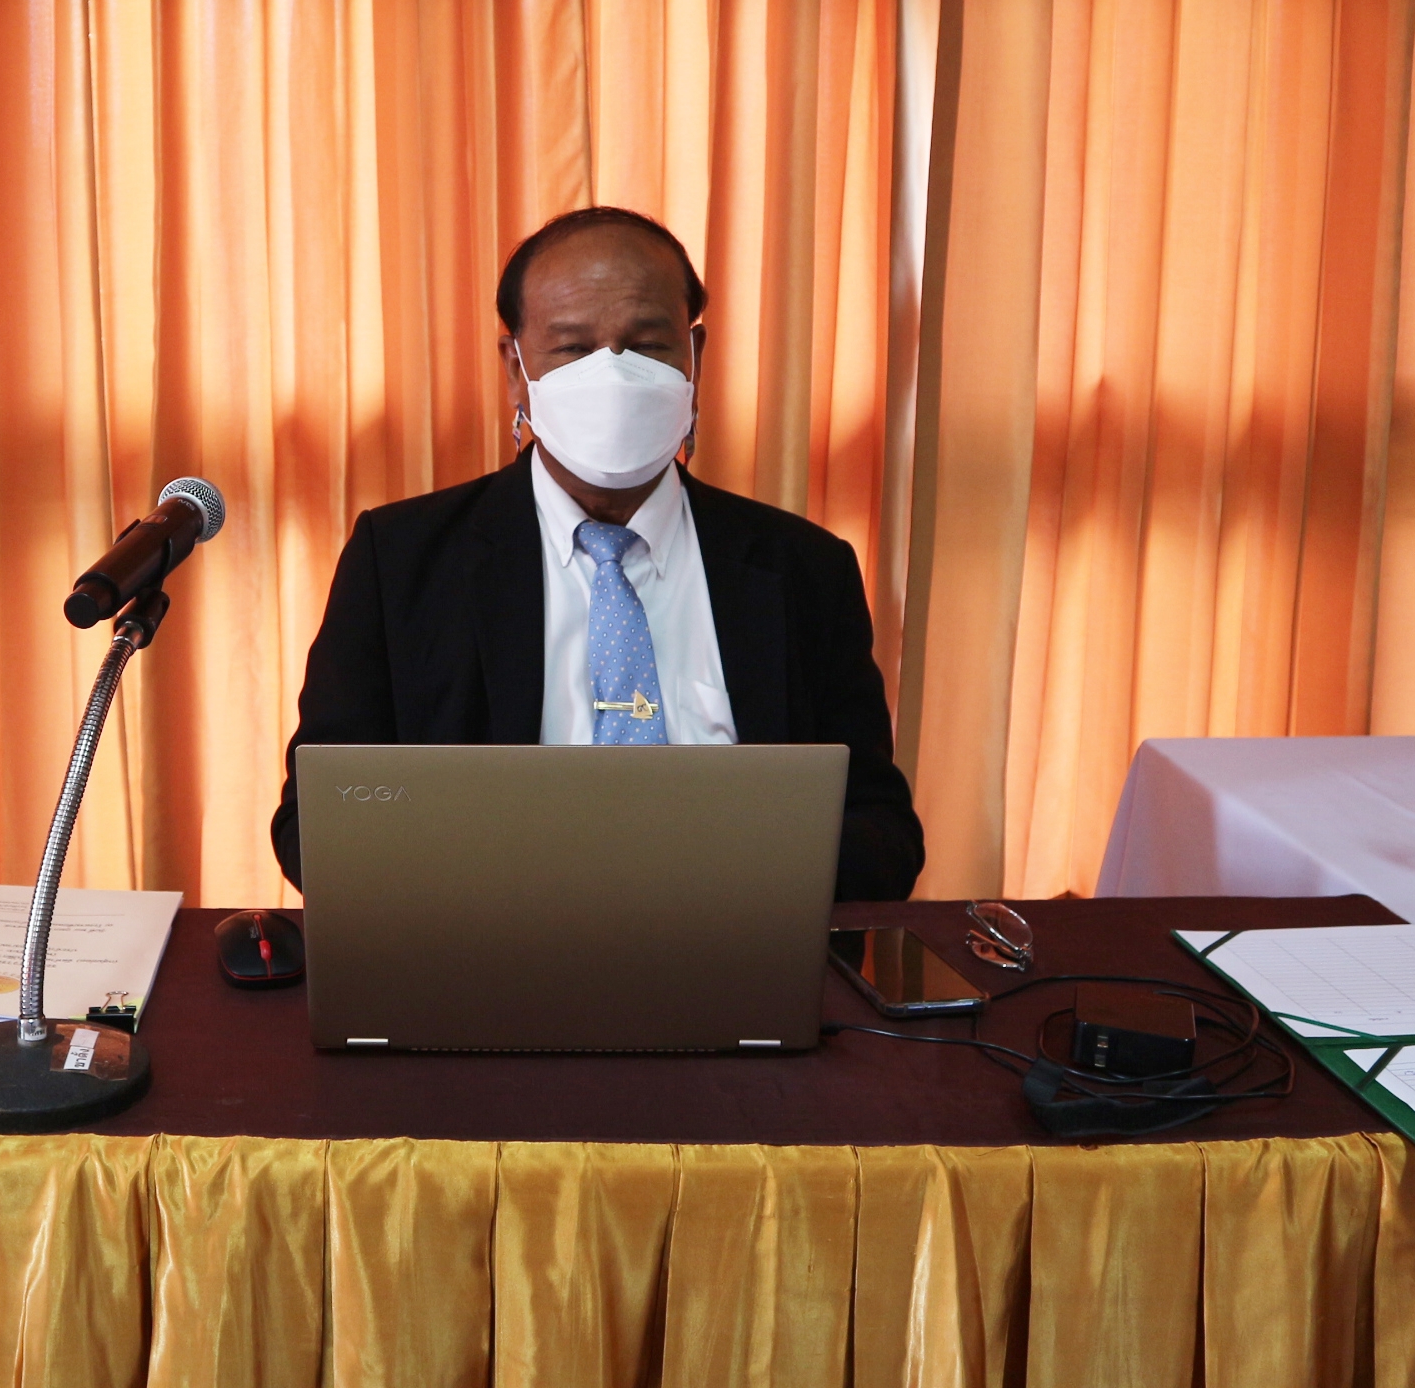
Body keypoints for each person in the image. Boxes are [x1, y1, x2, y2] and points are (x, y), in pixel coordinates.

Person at [270, 206, 926, 899]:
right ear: (516, 369)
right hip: (486, 948)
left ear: (695, 358)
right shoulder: (400, 561)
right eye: (574, 349)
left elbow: (882, 835)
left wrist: (723, 866)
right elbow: (315, 827)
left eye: (647, 345)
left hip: (738, 942)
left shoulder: (805, 569)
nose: (613, 375)